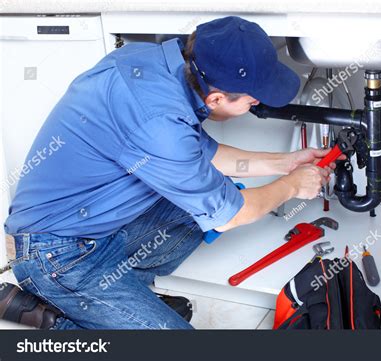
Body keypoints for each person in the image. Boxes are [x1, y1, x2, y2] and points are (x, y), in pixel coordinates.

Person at [1, 16, 342, 329]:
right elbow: (231, 215)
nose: (255, 107)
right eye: (252, 102)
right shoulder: (159, 124)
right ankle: (58, 319)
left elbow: (202, 155)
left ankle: (116, 302)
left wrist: (285, 162)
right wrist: (291, 187)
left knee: (208, 199)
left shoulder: (154, 65)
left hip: (96, 228)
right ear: (217, 99)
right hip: (56, 255)